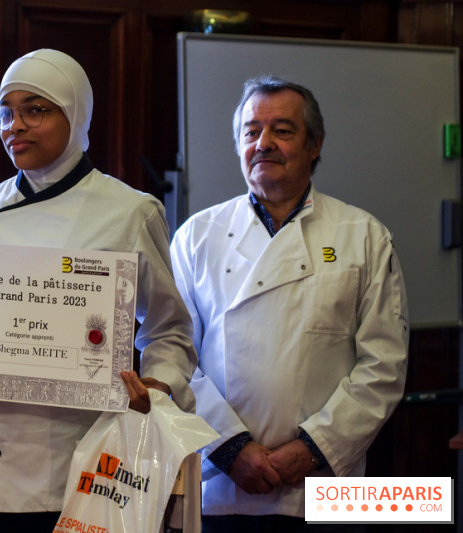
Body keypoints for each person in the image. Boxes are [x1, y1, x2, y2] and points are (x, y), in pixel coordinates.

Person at [0, 49, 198, 532]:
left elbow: (171, 330)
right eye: (6, 112)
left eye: (34, 110)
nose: (13, 126)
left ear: (76, 113)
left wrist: (159, 388)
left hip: (81, 471)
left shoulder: (129, 211)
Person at [169, 75, 409, 531]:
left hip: (328, 487)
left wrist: (314, 449)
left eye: (282, 130)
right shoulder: (196, 237)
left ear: (314, 144)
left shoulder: (364, 236)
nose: (263, 144)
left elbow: (384, 367)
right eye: (251, 131)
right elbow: (174, 358)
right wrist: (232, 449)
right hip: (222, 484)